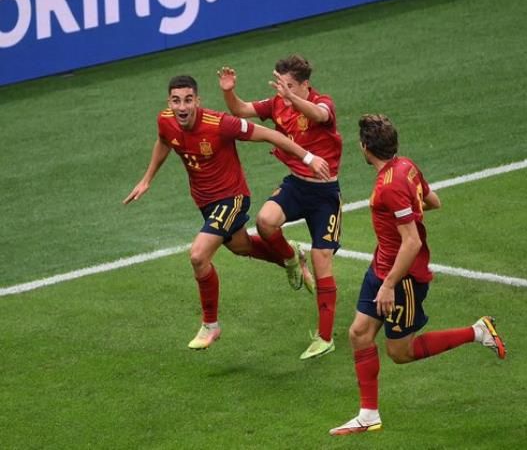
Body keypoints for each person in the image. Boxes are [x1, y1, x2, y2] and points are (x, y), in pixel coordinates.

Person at [329, 114, 506, 436]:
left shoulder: (390, 185)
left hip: (403, 278)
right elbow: (433, 200)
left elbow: (412, 242)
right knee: (359, 334)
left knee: (400, 352)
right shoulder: (406, 166)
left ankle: (478, 332)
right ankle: (368, 415)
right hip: (382, 266)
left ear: (365, 147)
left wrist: (389, 285)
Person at [123, 75, 329, 350]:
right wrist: (147, 179)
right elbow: (164, 141)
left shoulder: (220, 124)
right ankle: (290, 255)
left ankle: (211, 325)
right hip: (205, 202)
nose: (182, 107)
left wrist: (308, 157)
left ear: (197, 100)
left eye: (188, 100)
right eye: (176, 101)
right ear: (169, 102)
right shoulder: (166, 120)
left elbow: (270, 134)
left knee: (198, 256)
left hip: (232, 198)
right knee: (241, 246)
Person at [218, 55, 343, 360]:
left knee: (322, 261)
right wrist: (229, 91)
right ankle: (290, 258)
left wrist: (292, 98)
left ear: (305, 85)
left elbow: (320, 115)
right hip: (297, 186)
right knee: (265, 221)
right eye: (280, 84)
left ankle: (325, 337)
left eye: (289, 85)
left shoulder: (322, 103)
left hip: (325, 196)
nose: (282, 90)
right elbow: (240, 110)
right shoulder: (277, 103)